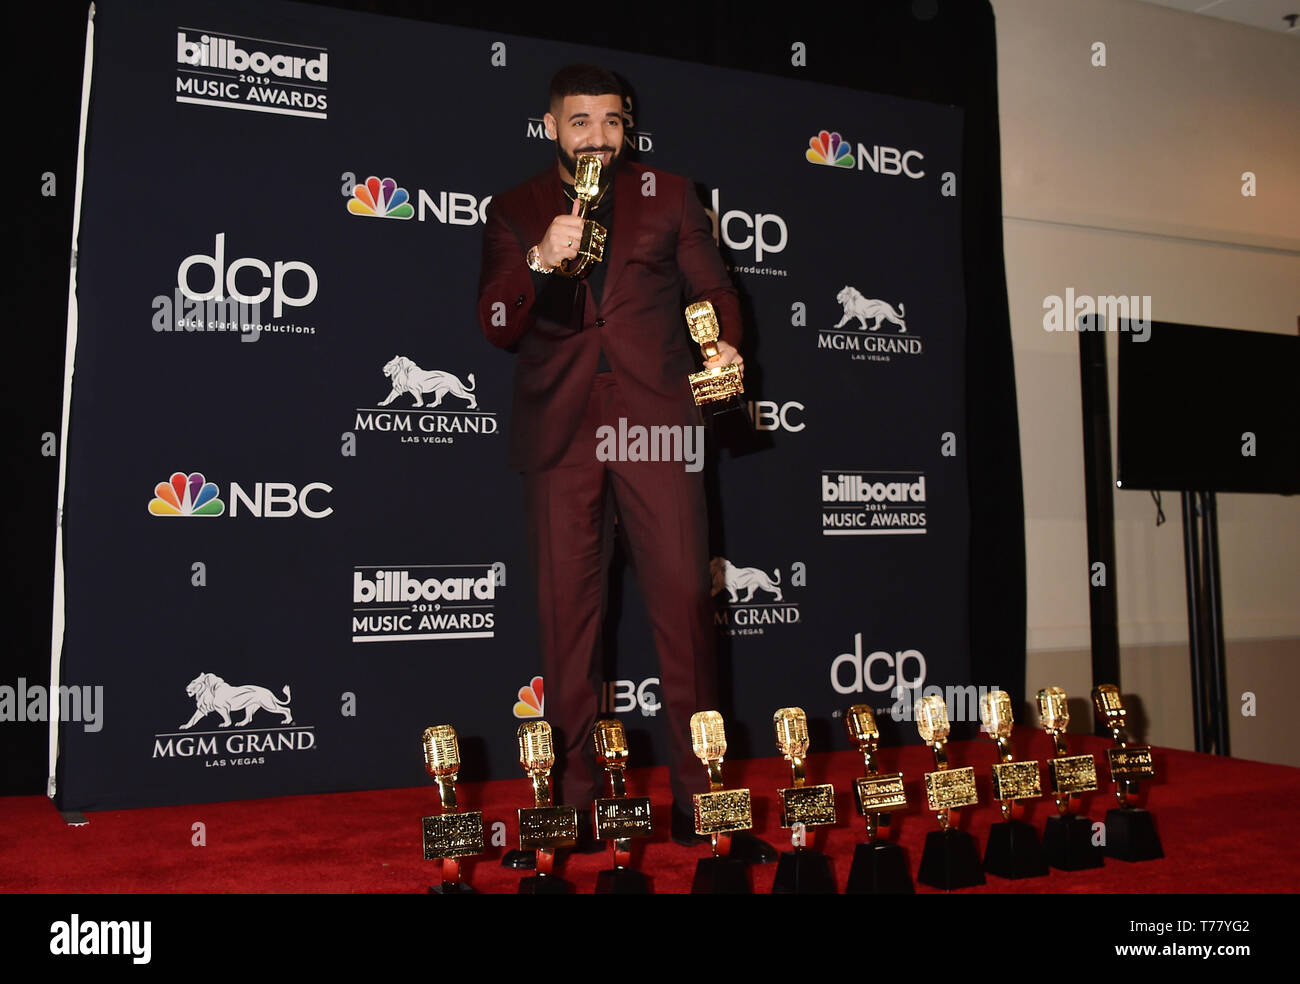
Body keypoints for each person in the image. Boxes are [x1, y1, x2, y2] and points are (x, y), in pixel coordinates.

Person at [477, 64, 768, 860]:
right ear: (552, 129)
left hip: (659, 432)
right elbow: (497, 322)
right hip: (560, 438)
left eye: (611, 120)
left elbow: (719, 291)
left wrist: (723, 346)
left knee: (683, 613)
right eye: (580, 122)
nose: (597, 135)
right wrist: (538, 261)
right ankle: (565, 811)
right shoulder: (514, 210)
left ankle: (703, 802)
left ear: (626, 125)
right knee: (567, 629)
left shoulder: (671, 195)